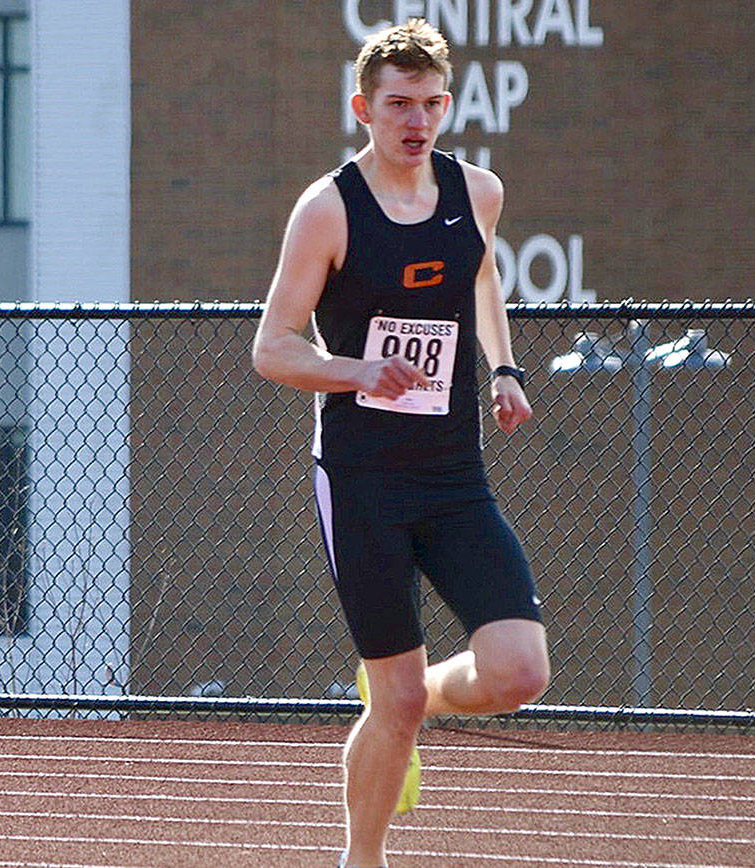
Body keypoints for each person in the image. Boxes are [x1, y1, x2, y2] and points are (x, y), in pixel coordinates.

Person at [251, 19, 550, 868]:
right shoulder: (327, 210)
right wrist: (355, 369)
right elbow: (271, 347)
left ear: (446, 105)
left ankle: (422, 704)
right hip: (363, 480)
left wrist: (505, 368)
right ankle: (364, 858)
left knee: (520, 673)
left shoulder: (477, 193)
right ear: (364, 108)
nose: (415, 121)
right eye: (397, 105)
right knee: (393, 700)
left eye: (429, 104)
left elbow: (484, 277)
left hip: (454, 474)